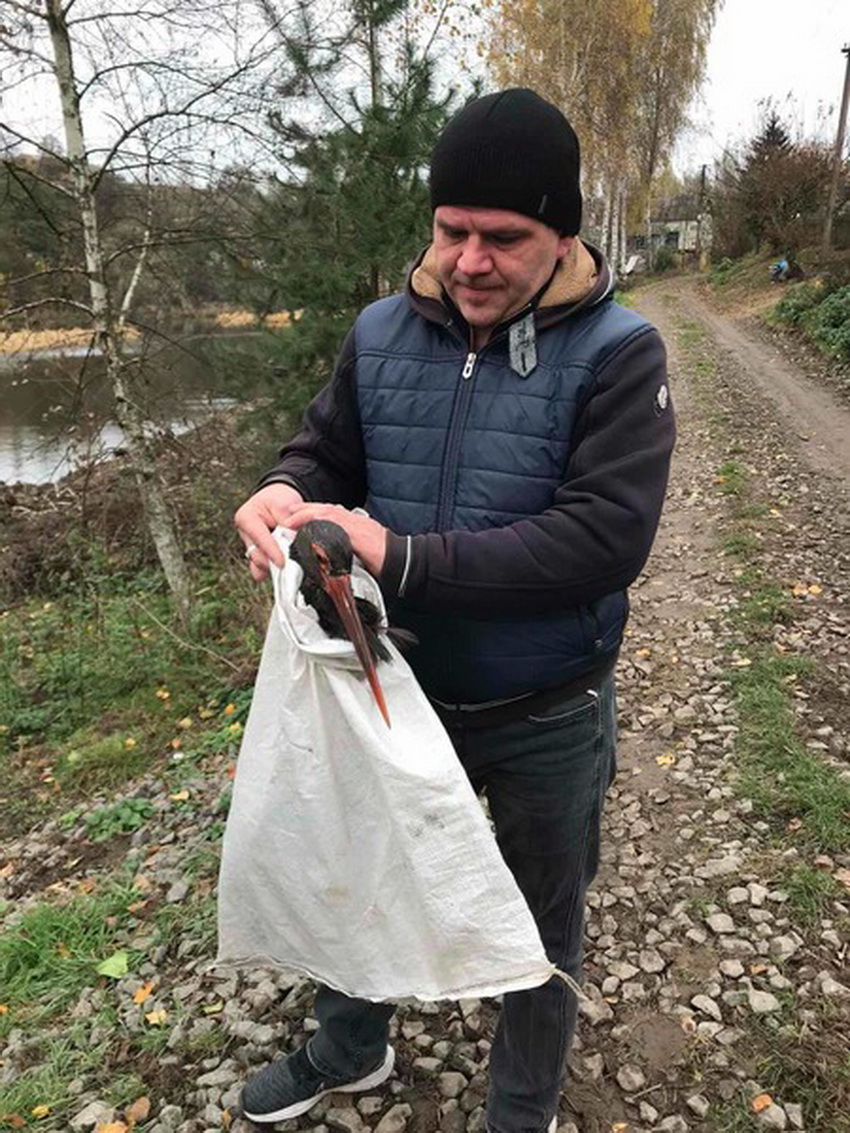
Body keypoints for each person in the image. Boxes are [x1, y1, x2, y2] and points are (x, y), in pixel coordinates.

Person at [234, 88, 675, 1133]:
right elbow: (325, 452)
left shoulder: (621, 352)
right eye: (451, 231)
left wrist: (403, 555)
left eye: (503, 237)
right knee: (363, 877)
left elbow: (605, 539)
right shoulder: (380, 330)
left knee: (539, 917)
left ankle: (520, 1106)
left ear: (561, 236)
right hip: (391, 688)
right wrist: (283, 491)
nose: (470, 261)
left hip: (547, 705)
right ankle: (351, 1047)